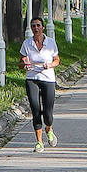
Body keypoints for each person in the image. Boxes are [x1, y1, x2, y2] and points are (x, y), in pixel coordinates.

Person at [19, 17, 61, 152]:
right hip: (32, 78)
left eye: (38, 25)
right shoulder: (27, 43)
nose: (36, 28)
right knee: (35, 109)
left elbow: (57, 60)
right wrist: (24, 63)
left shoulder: (50, 42)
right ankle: (39, 141)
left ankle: (49, 129)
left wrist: (50, 65)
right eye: (33, 26)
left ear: (42, 27)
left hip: (48, 78)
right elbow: (20, 63)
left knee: (48, 113)